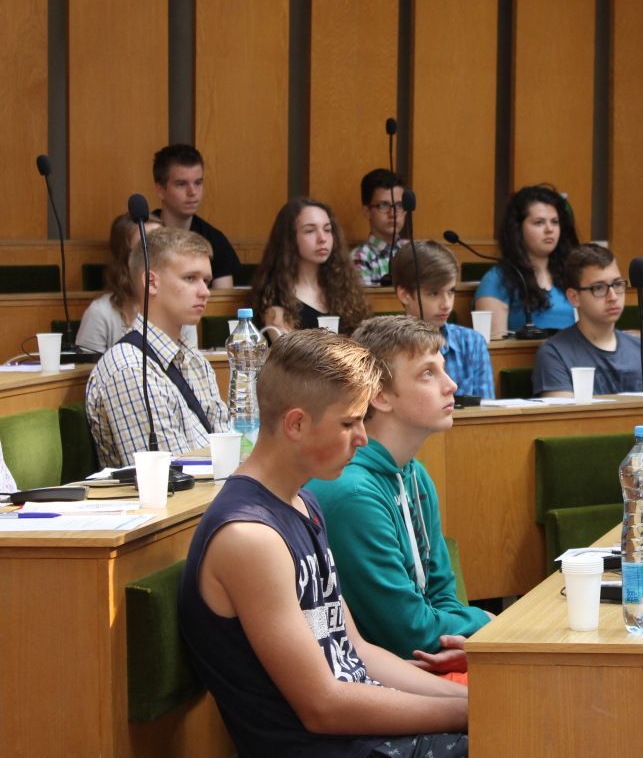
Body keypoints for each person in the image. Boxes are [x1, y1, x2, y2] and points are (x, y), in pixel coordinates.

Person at [178, 329, 469, 757]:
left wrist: (475, 700)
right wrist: (469, 711)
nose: (363, 438)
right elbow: (322, 707)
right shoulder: (249, 538)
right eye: (348, 423)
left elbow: (358, 652)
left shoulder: (304, 503)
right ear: (296, 423)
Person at [307, 317, 493, 677]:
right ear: (380, 396)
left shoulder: (414, 473)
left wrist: (464, 635)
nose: (451, 385)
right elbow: (409, 633)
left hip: (422, 665)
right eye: (428, 374)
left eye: (443, 369)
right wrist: (486, 621)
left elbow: (442, 593)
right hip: (376, 678)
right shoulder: (353, 493)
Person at [85, 228, 231, 468]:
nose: (205, 292)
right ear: (151, 283)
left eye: (206, 281)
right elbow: (169, 475)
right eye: (190, 278)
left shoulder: (195, 360)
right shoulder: (130, 368)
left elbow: (226, 446)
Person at [532, 243, 643, 397]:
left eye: (617, 284)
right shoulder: (554, 353)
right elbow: (564, 412)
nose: (613, 297)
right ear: (574, 297)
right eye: (599, 288)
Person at [251, 197, 372, 336]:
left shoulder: (343, 287)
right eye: (310, 231)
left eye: (327, 229)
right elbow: (288, 348)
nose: (322, 238)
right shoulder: (275, 296)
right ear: (289, 238)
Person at [390, 240, 494, 398]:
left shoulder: (472, 343)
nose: (446, 304)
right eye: (434, 293)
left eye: (451, 291)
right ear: (405, 295)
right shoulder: (388, 348)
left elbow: (487, 410)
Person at [474, 183, 579, 339]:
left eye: (555, 222)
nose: (549, 229)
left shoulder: (573, 273)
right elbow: (495, 347)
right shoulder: (497, 280)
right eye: (539, 222)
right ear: (517, 229)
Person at [152, 144, 241, 288]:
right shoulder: (140, 234)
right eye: (181, 184)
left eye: (198, 183)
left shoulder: (216, 240)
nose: (193, 192)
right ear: (160, 190)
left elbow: (223, 298)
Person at [75, 212, 162, 354]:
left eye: (163, 247)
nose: (157, 256)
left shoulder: (180, 307)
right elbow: (90, 367)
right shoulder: (100, 312)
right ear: (124, 258)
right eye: (145, 249)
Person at [353, 168, 409, 286]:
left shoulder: (415, 252)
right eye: (383, 205)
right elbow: (364, 298)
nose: (393, 213)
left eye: (399, 205)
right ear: (367, 211)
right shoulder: (361, 257)